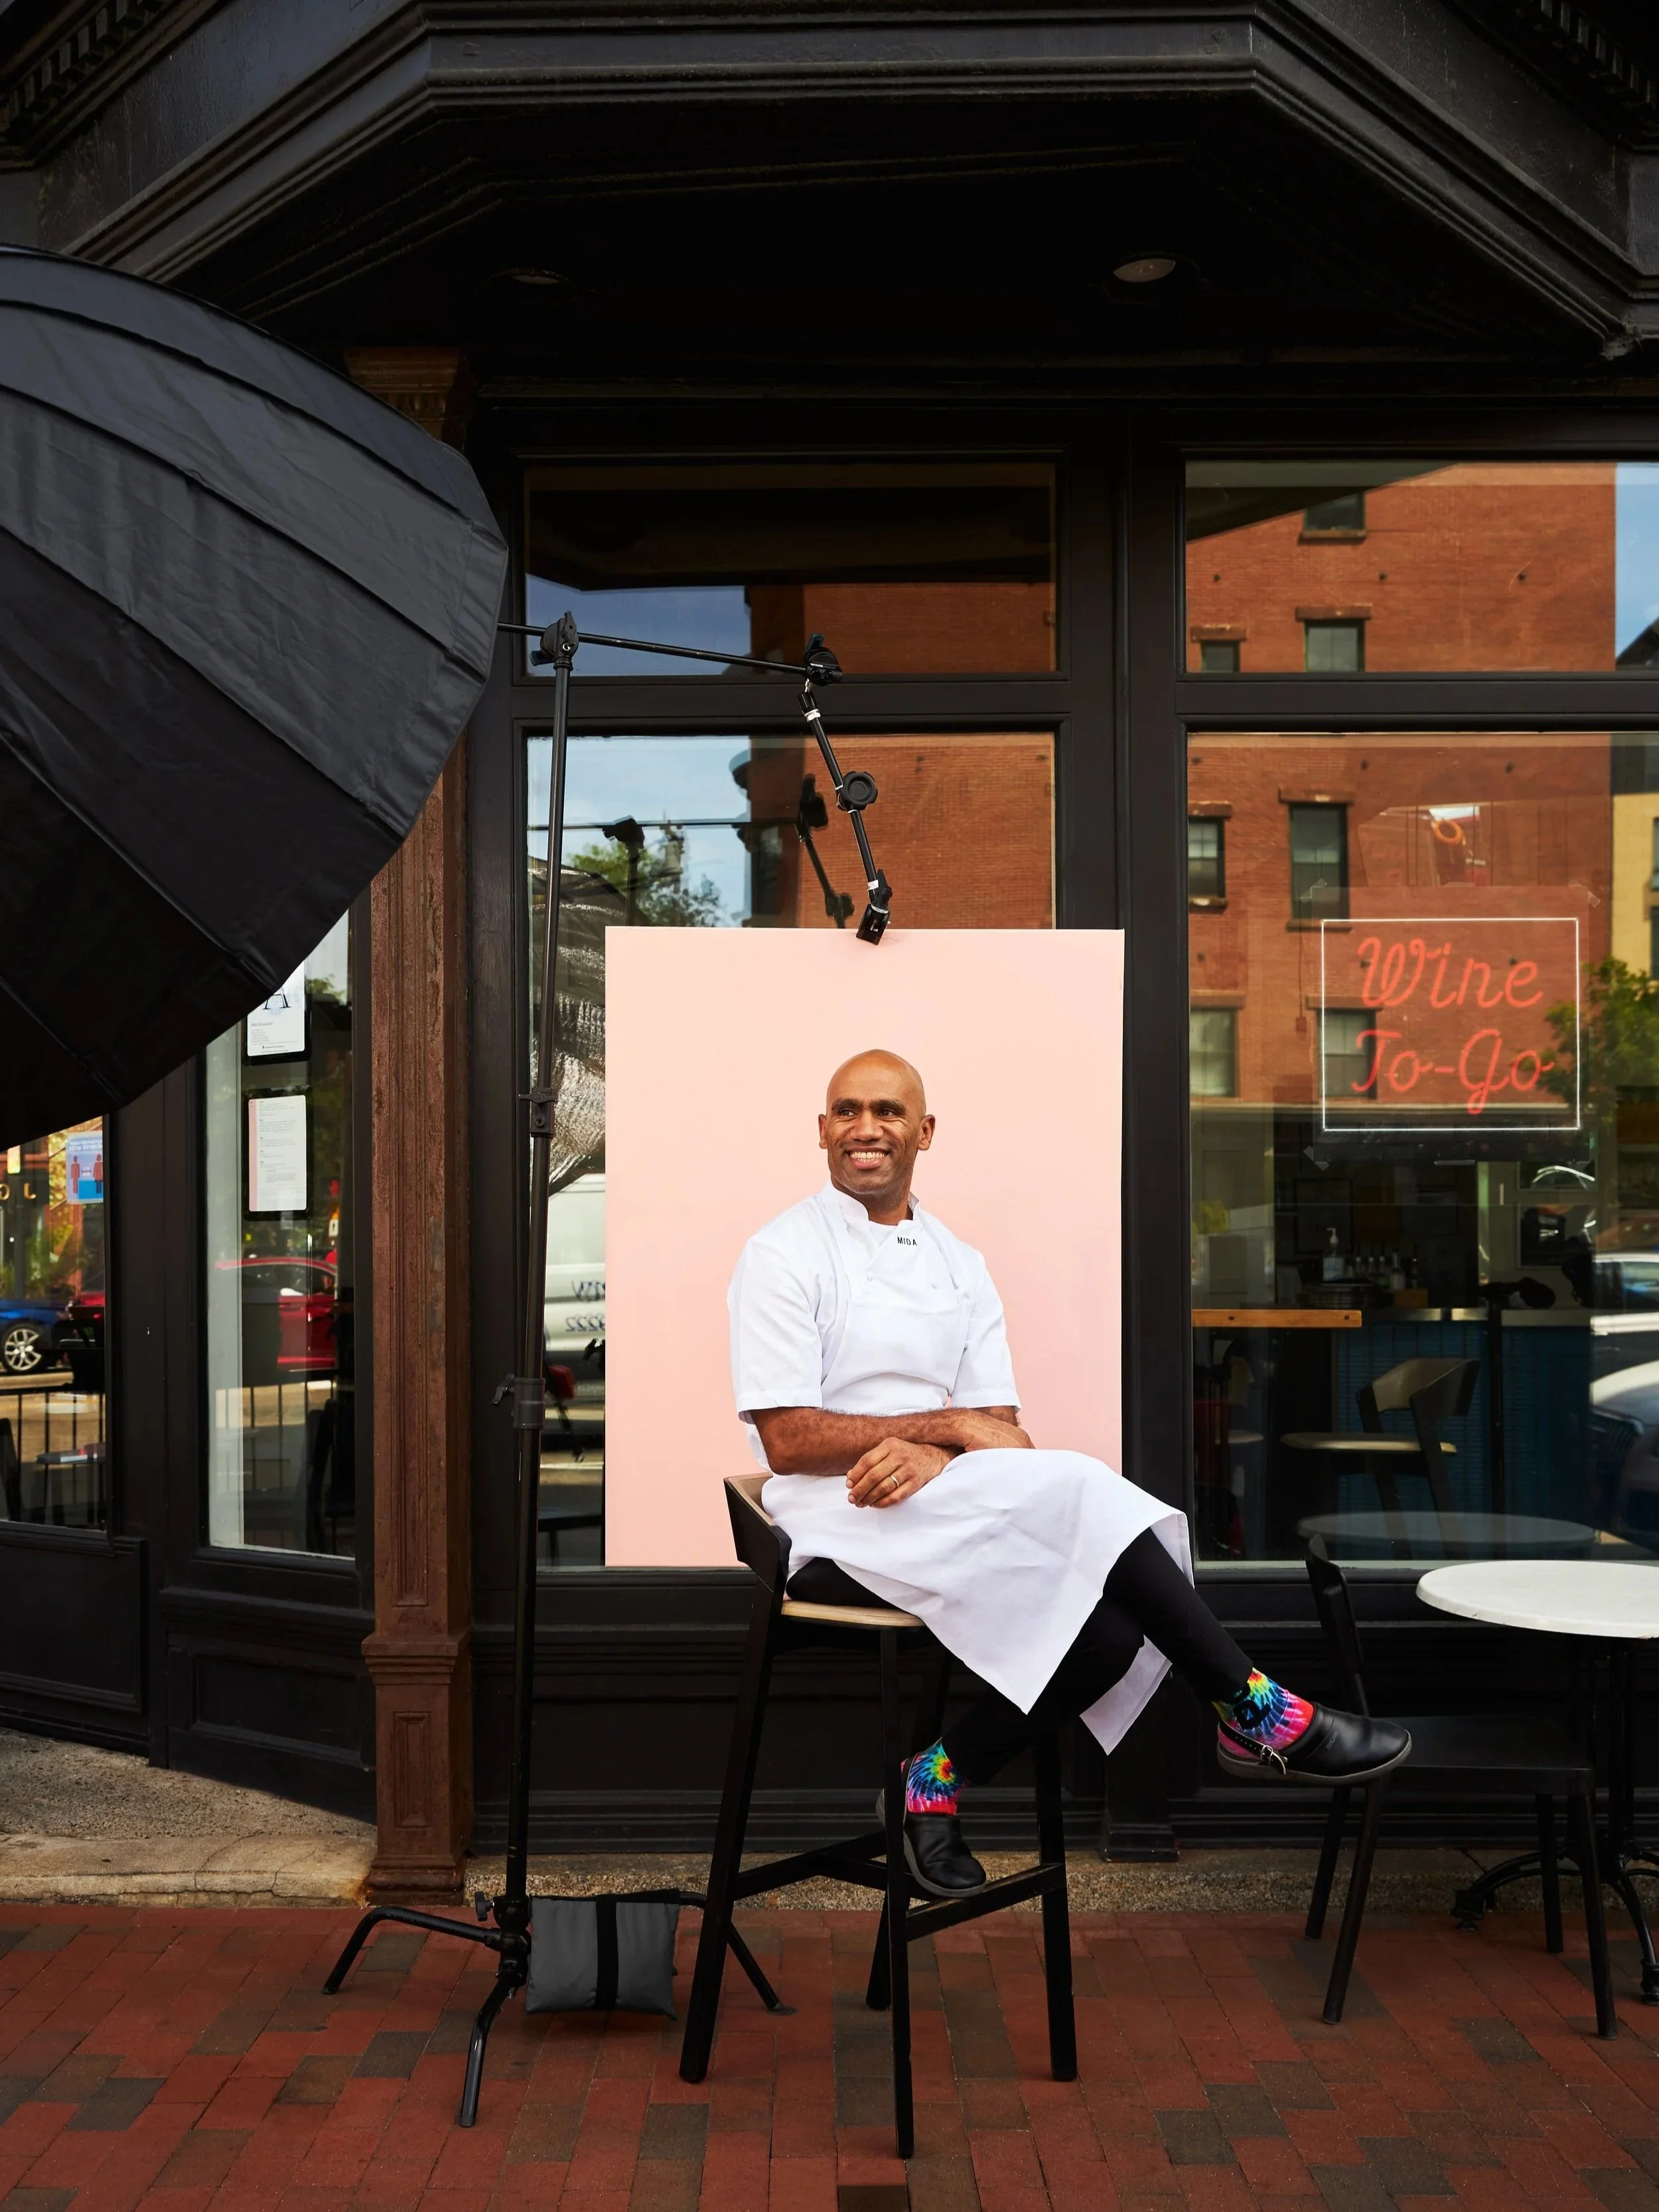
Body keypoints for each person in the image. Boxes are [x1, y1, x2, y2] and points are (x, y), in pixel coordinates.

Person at [727, 1047, 1409, 1898]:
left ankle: (929, 1783)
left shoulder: (957, 1261)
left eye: (889, 1111)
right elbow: (789, 1439)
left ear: (925, 1131)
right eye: (847, 1111)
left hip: (937, 1494)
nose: (866, 1128)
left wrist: (935, 1451)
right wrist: (945, 1424)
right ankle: (1254, 1709)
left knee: (1113, 1639)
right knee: (1083, 1482)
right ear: (822, 1129)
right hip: (835, 1514)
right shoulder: (780, 1254)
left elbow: (1001, 1431)